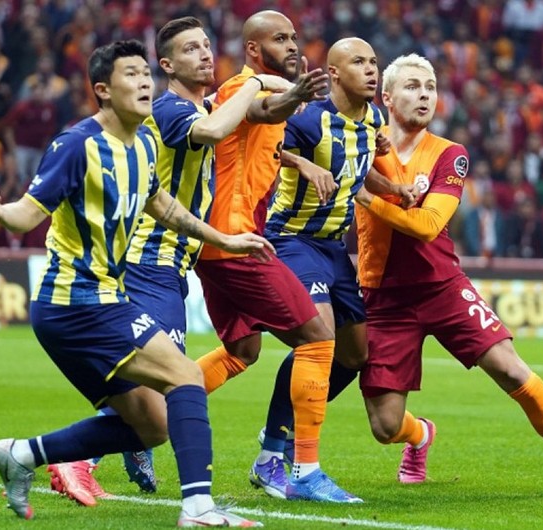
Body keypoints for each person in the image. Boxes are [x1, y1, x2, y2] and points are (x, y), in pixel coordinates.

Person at [0, 40, 271, 527]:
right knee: (186, 376)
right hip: (76, 301)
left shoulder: (145, 144)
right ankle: (198, 507)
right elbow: (26, 215)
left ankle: (22, 453)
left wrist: (225, 240)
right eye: (131, 74)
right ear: (103, 90)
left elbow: (164, 206)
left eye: (146, 74)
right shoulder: (76, 145)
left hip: (102, 299)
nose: (145, 82)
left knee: (152, 425)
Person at [46, 16, 292, 504]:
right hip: (148, 261)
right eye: (191, 49)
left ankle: (126, 446)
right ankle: (77, 460)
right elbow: (217, 128)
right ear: (167, 65)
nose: (205, 54)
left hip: (172, 266)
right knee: (164, 379)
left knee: (159, 381)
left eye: (206, 45)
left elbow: (242, 121)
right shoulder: (172, 109)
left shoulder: (199, 105)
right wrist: (259, 81)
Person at [353, 53, 543, 496]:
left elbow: (428, 225)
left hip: (441, 286)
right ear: (387, 97)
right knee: (385, 427)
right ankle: (421, 436)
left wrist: (366, 198)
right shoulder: (360, 147)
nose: (425, 95)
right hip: (383, 295)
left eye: (431, 87)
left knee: (511, 369)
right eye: (413, 86)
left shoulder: (449, 154)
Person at [191, 10, 356, 503]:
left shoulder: (263, 94)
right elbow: (264, 112)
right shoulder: (241, 88)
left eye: (294, 37)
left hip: (219, 244)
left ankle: (118, 431)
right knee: (319, 337)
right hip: (235, 241)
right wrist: (294, 95)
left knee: (242, 352)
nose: (292, 45)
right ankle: (298, 468)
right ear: (253, 49)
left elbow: (263, 139)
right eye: (279, 39)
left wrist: (298, 159)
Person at [250, 37, 412, 501]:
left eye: (374, 61)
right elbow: (265, 148)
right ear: (335, 73)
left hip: (333, 249)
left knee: (354, 355)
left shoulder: (373, 119)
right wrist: (302, 163)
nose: (371, 69)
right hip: (292, 238)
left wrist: (392, 189)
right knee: (317, 337)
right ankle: (292, 461)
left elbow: (356, 170)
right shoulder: (307, 118)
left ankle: (278, 437)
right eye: (359, 62)